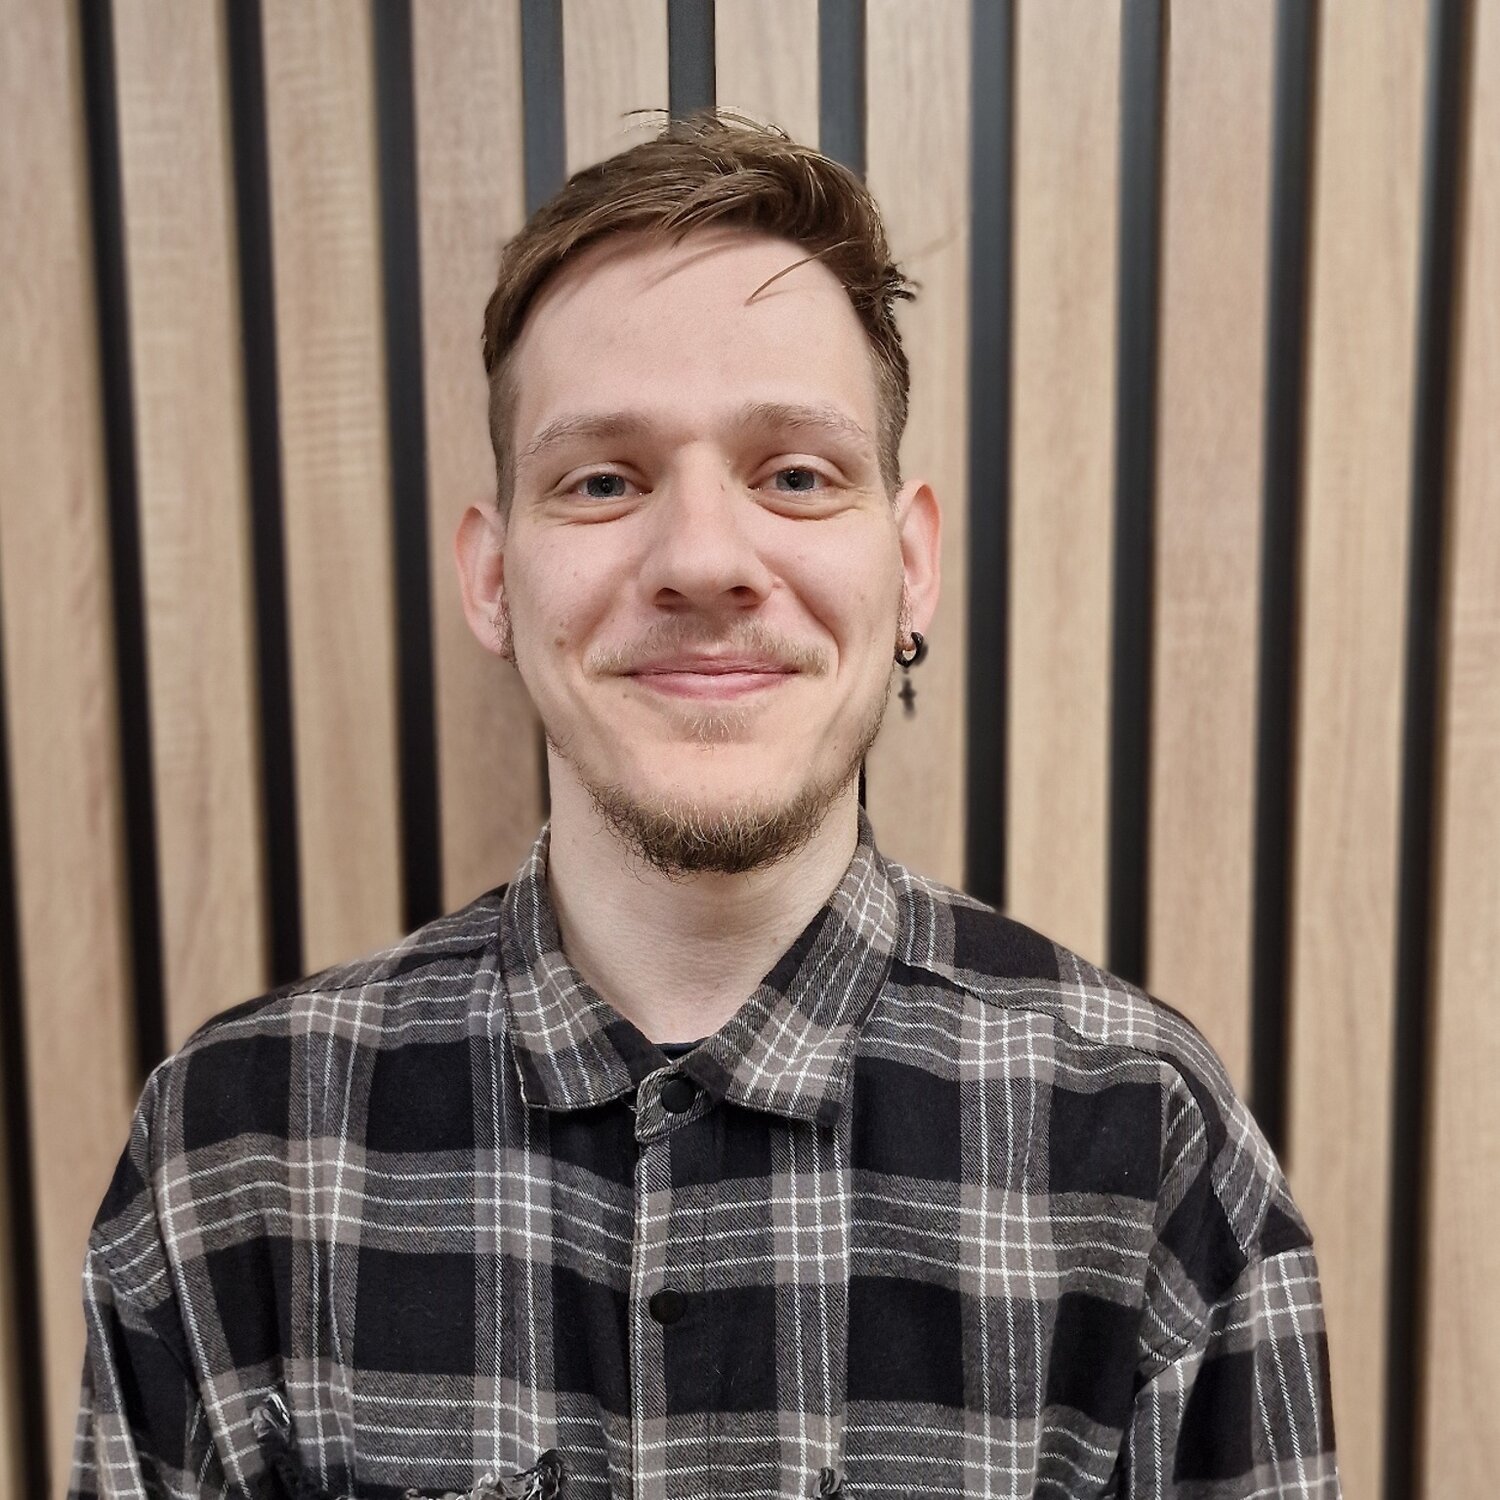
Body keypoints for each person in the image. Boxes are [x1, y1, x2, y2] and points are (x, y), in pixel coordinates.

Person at [71, 115, 1339, 1500]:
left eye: (795, 474)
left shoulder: (1146, 1151)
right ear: (493, 579)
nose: (701, 556)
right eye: (602, 480)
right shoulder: (232, 1157)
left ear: (909, 565)